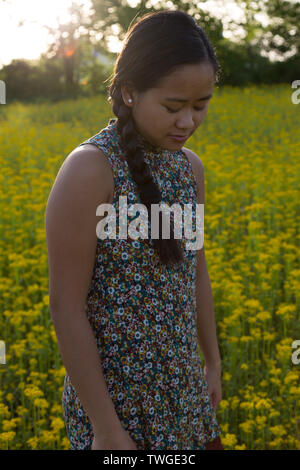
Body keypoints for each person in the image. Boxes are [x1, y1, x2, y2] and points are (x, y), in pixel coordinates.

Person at [45, 9, 223, 451]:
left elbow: (195, 272)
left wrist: (213, 363)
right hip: (116, 405)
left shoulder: (189, 169)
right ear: (128, 92)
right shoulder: (90, 169)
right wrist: (105, 427)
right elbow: (66, 308)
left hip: (183, 393)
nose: (188, 122)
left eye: (200, 106)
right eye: (173, 107)